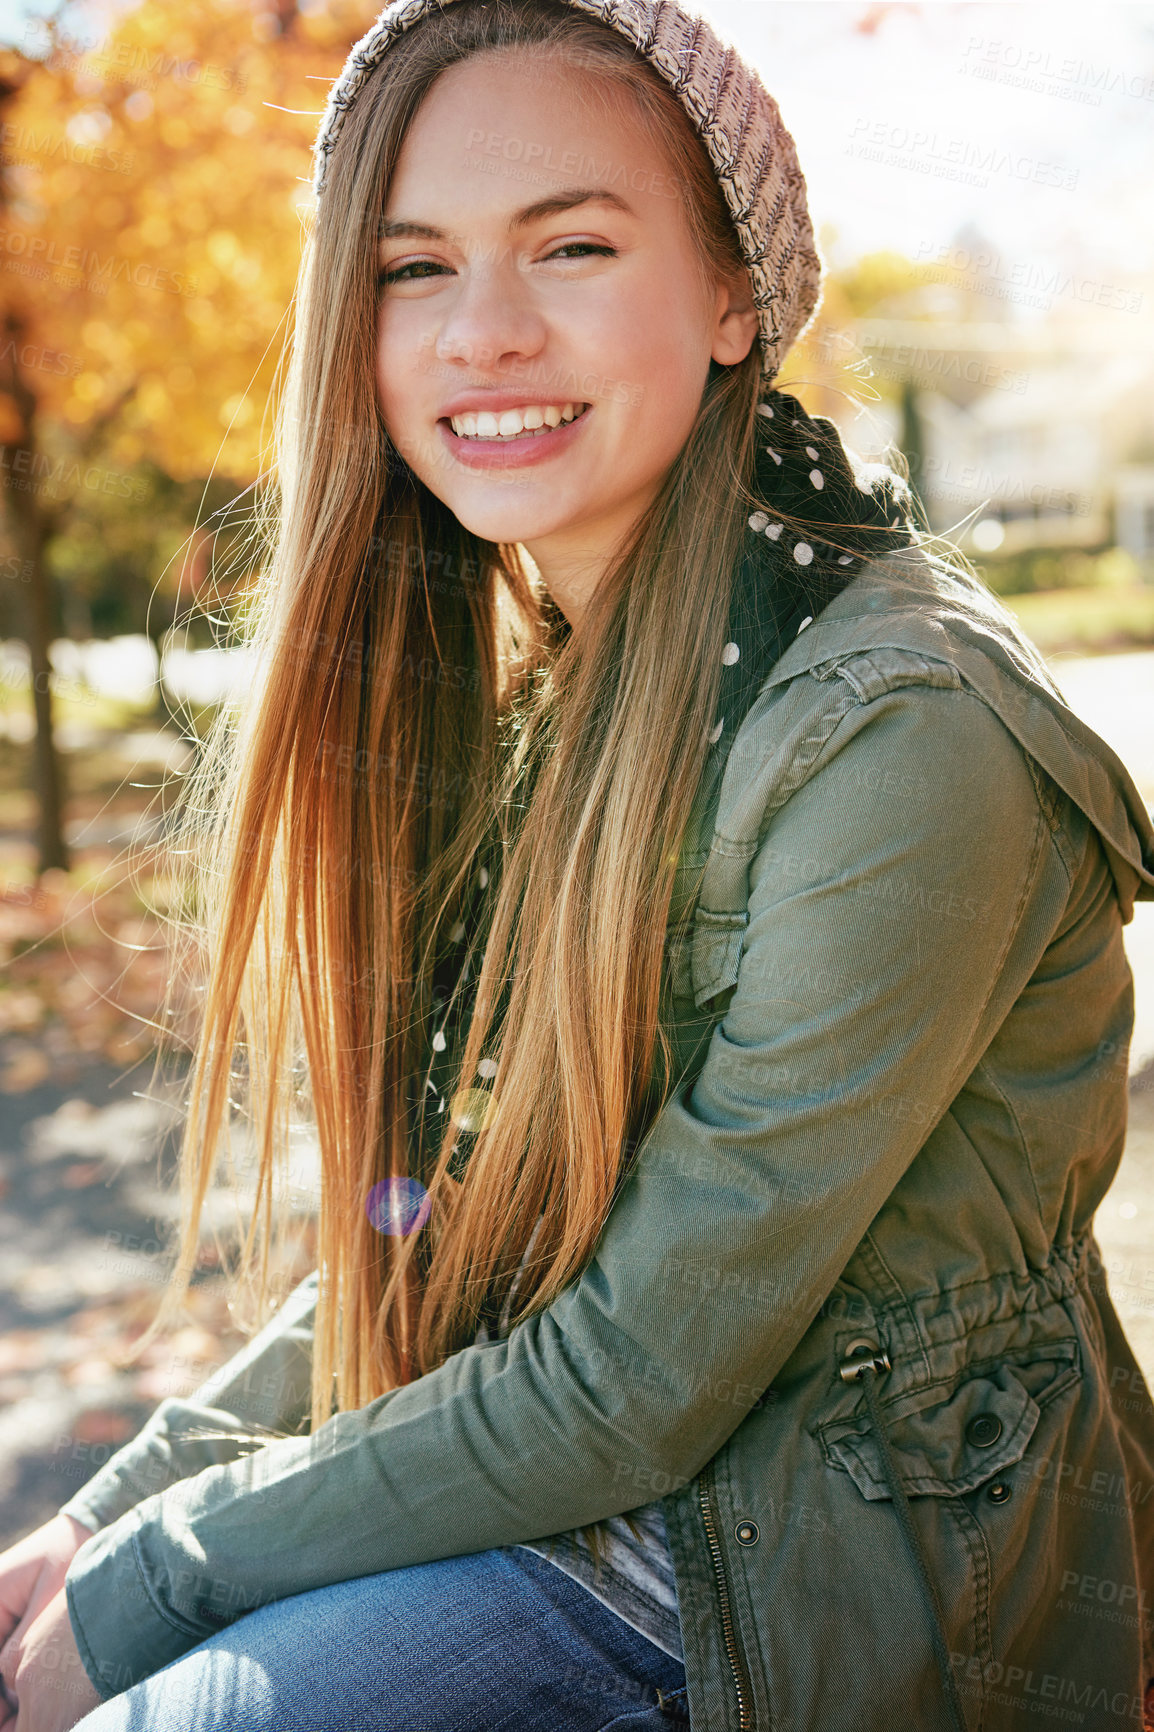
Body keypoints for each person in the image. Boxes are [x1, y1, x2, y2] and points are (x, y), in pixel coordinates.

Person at [2, 0, 1153, 1727]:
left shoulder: (902, 734)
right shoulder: (566, 692)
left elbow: (635, 1377)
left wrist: (158, 1578)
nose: (485, 331)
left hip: (811, 1570)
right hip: (578, 1475)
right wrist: (101, 1519)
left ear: (731, 296)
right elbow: (443, 1232)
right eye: (412, 267)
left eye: (574, 244)